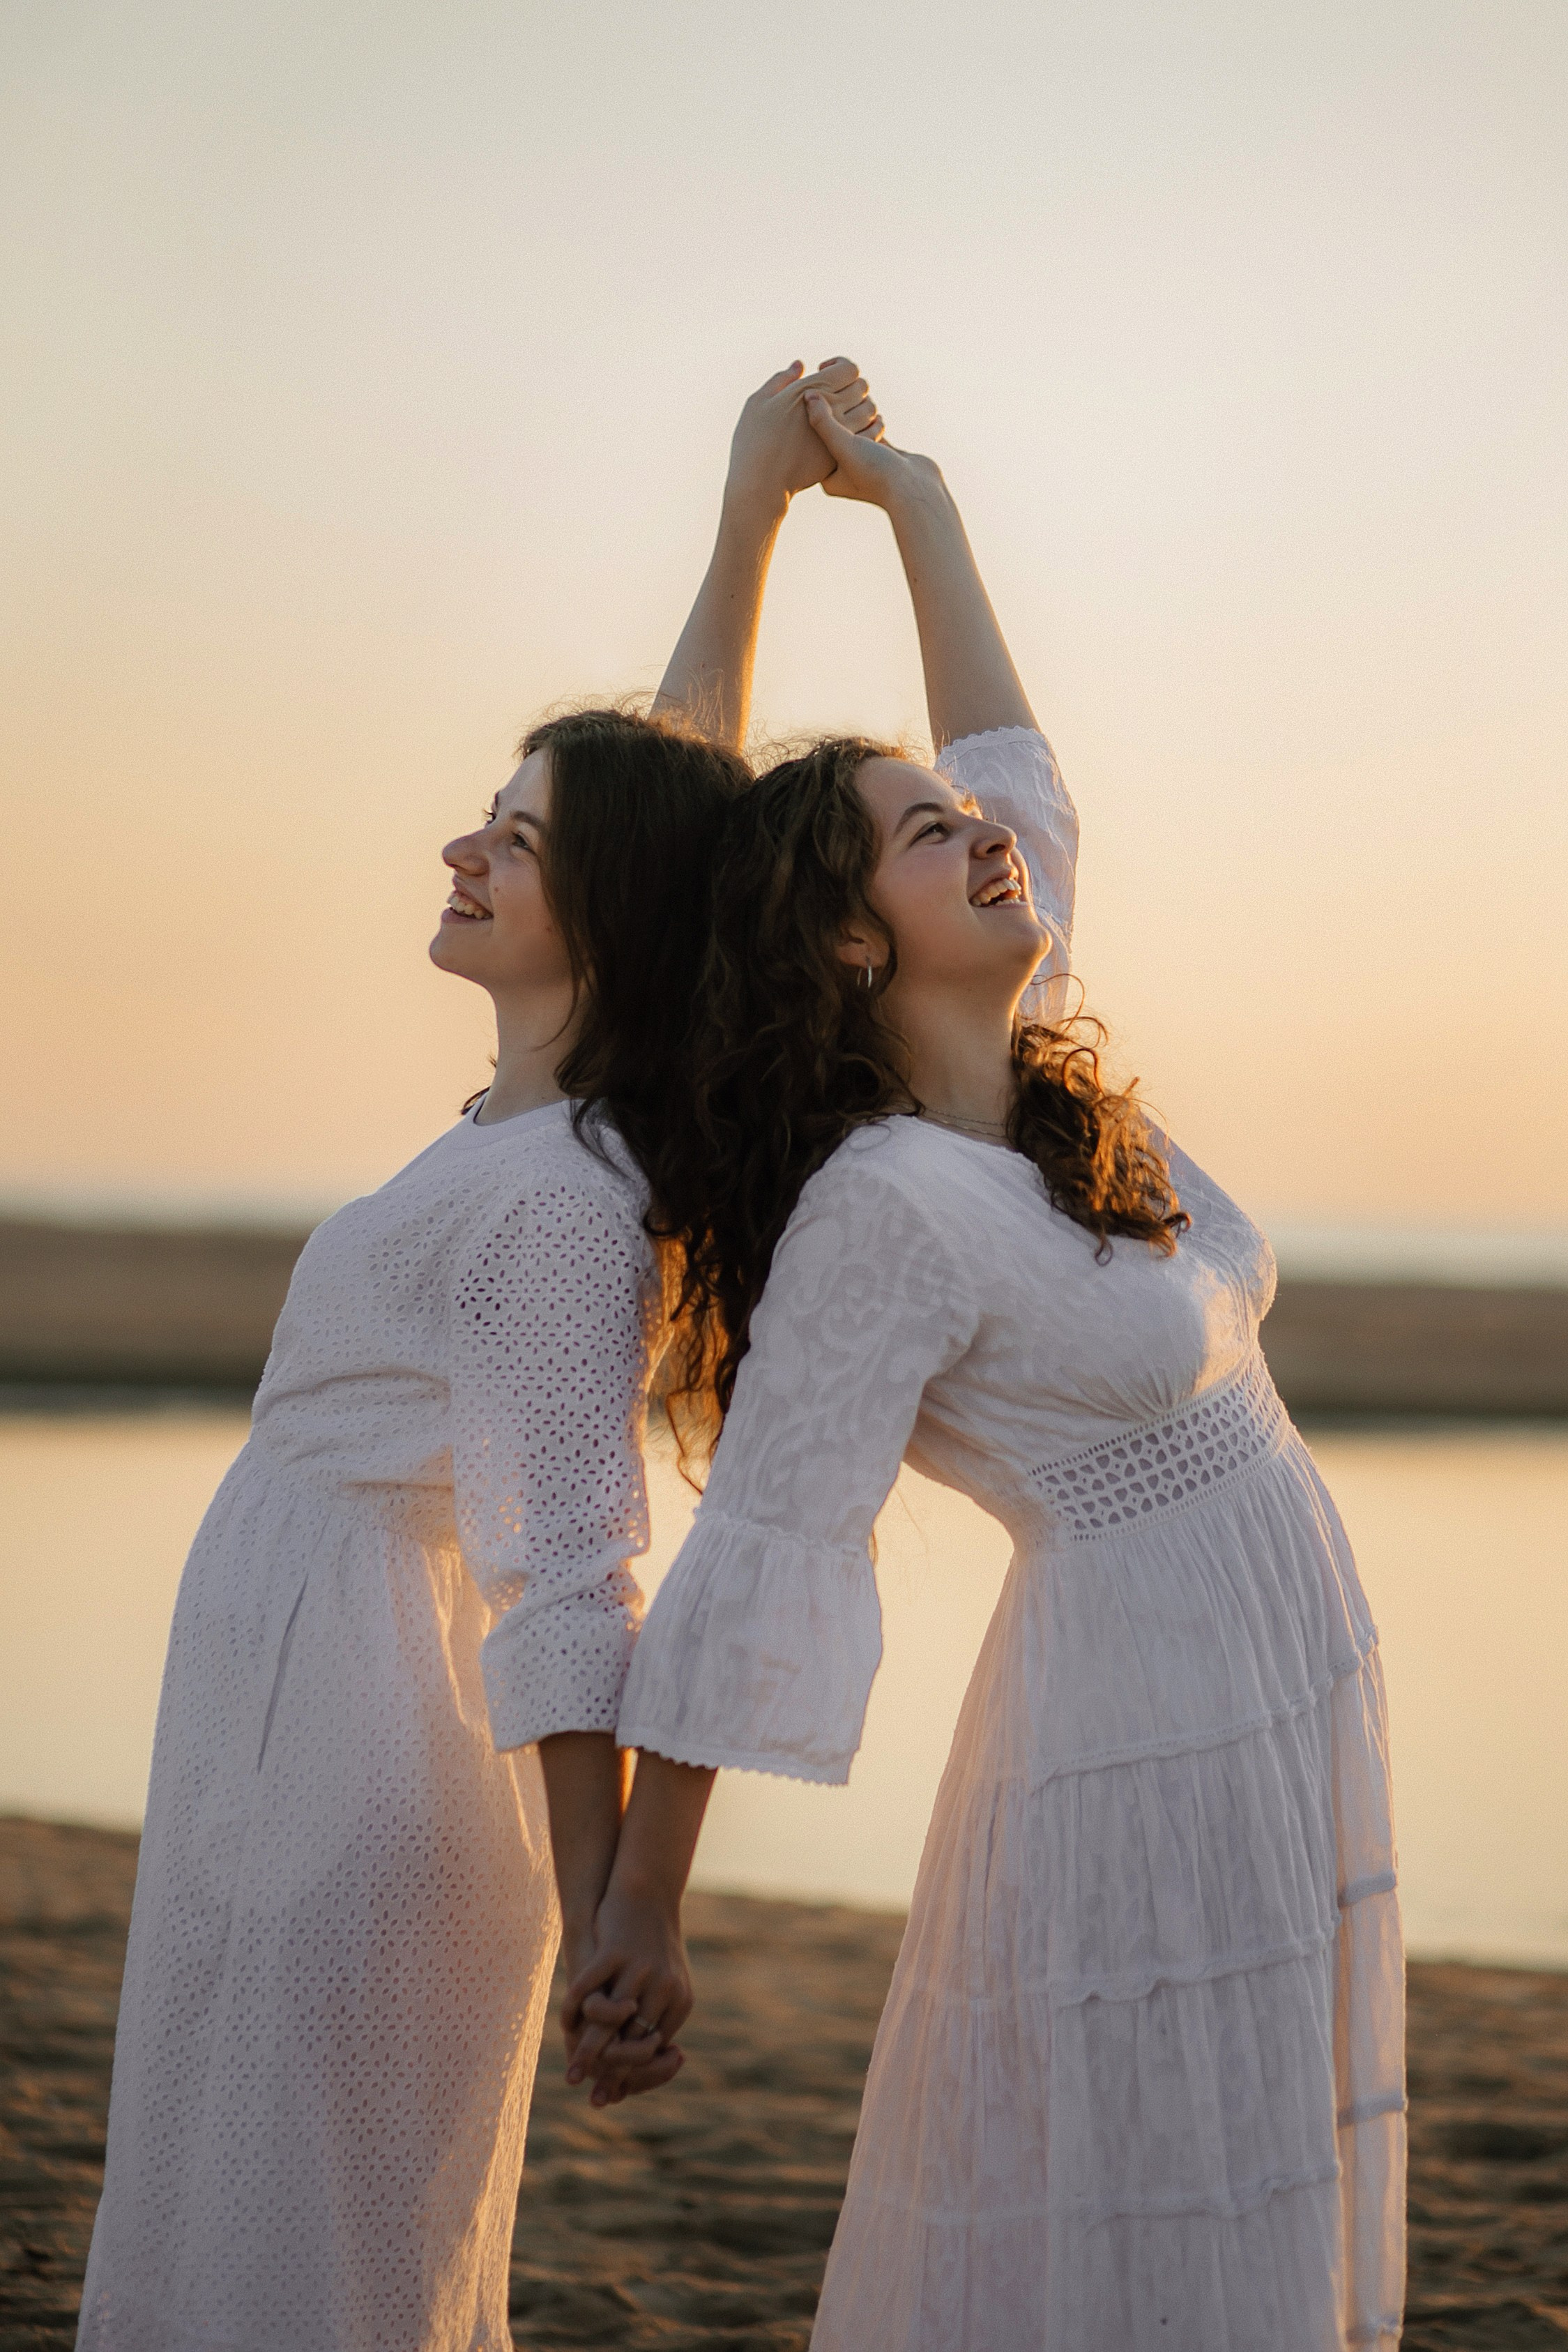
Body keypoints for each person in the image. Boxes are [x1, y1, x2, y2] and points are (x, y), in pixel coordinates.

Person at [565, 393, 1407, 2349]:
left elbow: (1016, 763)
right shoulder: (883, 1213)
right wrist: (644, 1909)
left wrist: (916, 502)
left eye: (961, 816)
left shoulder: (1037, 1106)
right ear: (846, 948)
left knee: (1250, 2142)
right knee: (1141, 2170)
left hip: (1275, 1680)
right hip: (1138, 1719)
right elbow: (764, 1542)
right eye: (919, 837)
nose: (976, 829)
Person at [75, 356, 885, 2352]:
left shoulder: (555, 1203)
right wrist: (745, 511)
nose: (465, 847)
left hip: (360, 1763)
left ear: (593, 906)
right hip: (293, 1721)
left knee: (304, 2262)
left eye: (511, 841)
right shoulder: (530, 1131)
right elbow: (668, 787)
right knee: (236, 2216)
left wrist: (622, 1908)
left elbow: (569, 1568)